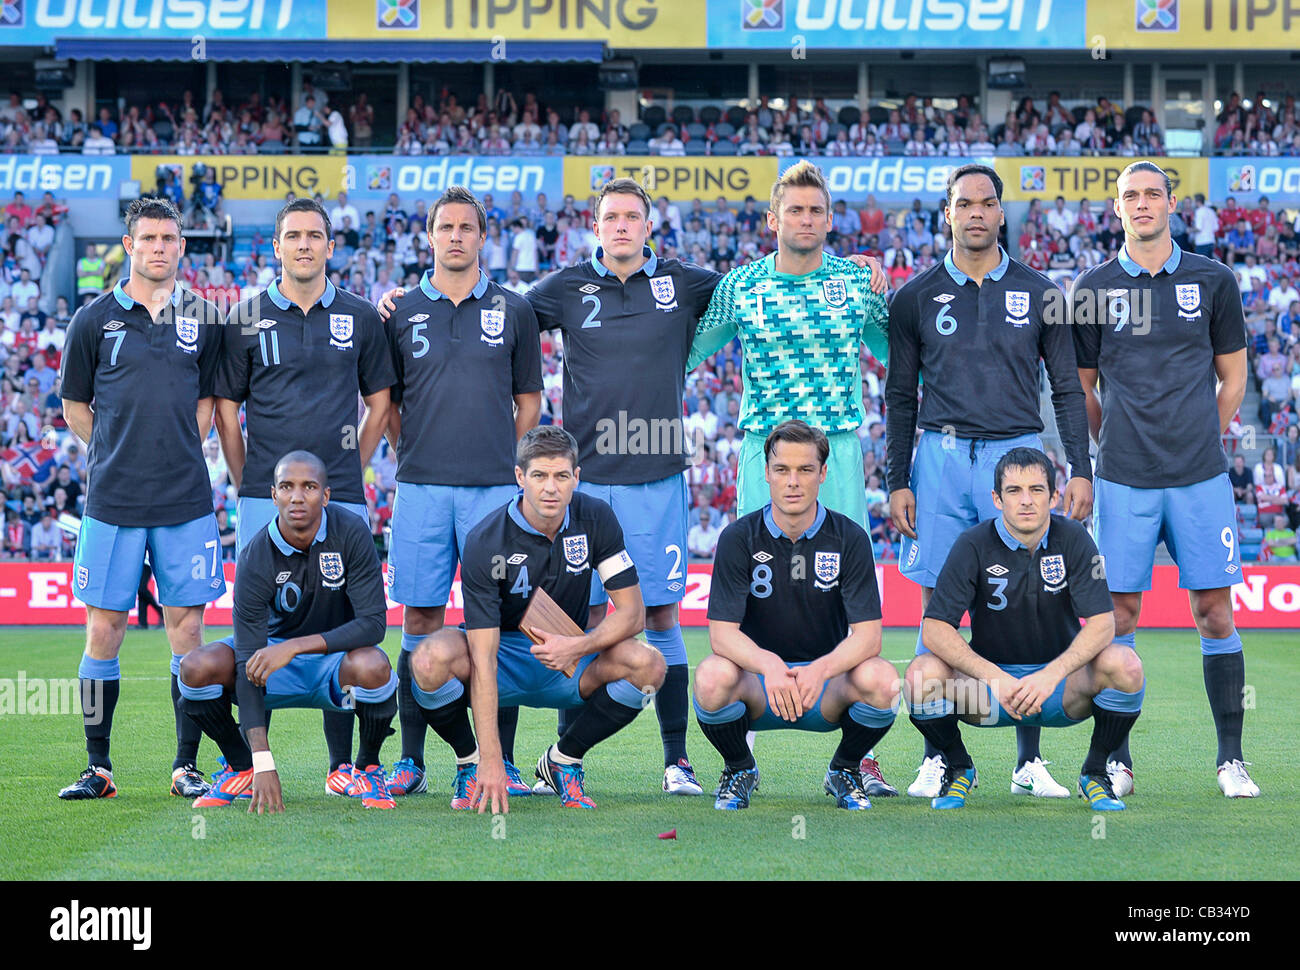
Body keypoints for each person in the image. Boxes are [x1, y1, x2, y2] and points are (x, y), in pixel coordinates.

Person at [886, 163, 1094, 800]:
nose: (975, 213)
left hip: (1019, 454)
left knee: (1029, 598)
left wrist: (1080, 469)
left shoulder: (1041, 291)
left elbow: (1065, 388)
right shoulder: (915, 297)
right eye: (963, 204)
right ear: (946, 215)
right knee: (936, 607)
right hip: (941, 459)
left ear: (1002, 213)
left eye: (987, 203)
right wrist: (898, 478)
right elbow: (900, 395)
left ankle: (1027, 761)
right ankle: (939, 755)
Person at [1074, 160, 1259, 798]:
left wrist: (1199, 434)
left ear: (1171, 203)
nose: (1143, 204)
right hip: (1123, 476)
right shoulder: (1093, 287)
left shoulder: (1214, 280)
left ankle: (1230, 760)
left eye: (1153, 194)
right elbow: (1082, 387)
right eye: (1132, 196)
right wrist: (1113, 442)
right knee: (1120, 614)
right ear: (1117, 207)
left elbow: (1232, 378)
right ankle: (1118, 760)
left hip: (1199, 476)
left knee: (1212, 611)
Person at [215, 198, 394, 797]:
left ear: (330, 246)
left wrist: (352, 466)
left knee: (341, 621)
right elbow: (227, 410)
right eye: (293, 236)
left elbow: (380, 403)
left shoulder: (361, 316)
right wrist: (251, 481)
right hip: (266, 495)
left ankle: (345, 766)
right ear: (276, 246)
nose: (304, 246)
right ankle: (250, 761)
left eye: (315, 236)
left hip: (340, 492)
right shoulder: (244, 317)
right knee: (258, 627)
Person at [56, 197, 226, 800]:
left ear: (182, 247)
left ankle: (186, 766)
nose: (159, 247)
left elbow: (209, 404)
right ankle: (98, 768)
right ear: (129, 246)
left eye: (169, 239)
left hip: (184, 499)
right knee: (103, 632)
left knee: (189, 635)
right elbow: (76, 407)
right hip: (113, 501)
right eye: (148, 238)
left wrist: (178, 447)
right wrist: (113, 448)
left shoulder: (205, 319)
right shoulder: (92, 319)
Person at [407, 426, 665, 811]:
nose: (551, 488)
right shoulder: (486, 540)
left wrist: (577, 645)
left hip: (568, 657)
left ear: (576, 478)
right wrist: (492, 761)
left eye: (562, 476)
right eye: (539, 476)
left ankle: (564, 760)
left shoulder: (595, 518)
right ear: (519, 477)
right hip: (500, 659)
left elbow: (633, 614)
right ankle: (469, 762)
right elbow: (482, 656)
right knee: (427, 660)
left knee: (649, 665)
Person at [382, 186, 542, 799]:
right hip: (421, 486)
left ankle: (497, 761)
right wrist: (409, 449)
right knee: (420, 617)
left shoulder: (515, 309)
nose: (455, 236)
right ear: (429, 237)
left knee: (494, 626)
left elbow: (528, 399)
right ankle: (412, 758)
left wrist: (511, 463)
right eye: (445, 227)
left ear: (482, 237)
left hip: (495, 493)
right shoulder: (399, 312)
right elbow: (387, 403)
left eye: (466, 228)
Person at [905, 448, 1144, 811]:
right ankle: (959, 767)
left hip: (1060, 691)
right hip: (989, 695)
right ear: (996, 499)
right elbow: (936, 628)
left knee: (1126, 665)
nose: (1026, 501)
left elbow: (1103, 623)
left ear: (1053, 494)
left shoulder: (1076, 539)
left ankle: (1095, 772)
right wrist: (993, 677)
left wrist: (1051, 675)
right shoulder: (972, 543)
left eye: (1036, 489)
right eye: (1014, 491)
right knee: (920, 676)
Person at [693, 421, 898, 810]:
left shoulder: (850, 537)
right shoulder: (738, 537)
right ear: (766, 474)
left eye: (805, 470)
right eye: (782, 470)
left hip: (824, 688)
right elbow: (722, 635)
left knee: (884, 681)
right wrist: (769, 665)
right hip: (758, 684)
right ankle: (739, 767)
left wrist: (820, 670)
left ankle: (845, 769)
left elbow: (869, 637)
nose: (793, 481)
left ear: (822, 474)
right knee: (710, 677)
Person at [177, 452, 398, 811]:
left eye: (309, 487)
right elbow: (249, 655)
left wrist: (294, 647)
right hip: (271, 664)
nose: (297, 496)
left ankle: (368, 768)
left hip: (332, 663)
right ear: (274, 495)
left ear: (325, 496)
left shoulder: (352, 532)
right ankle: (241, 767)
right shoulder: (255, 555)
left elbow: (374, 624)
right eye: (287, 487)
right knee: (196, 667)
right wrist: (264, 760)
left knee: (375, 666)